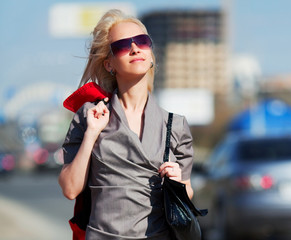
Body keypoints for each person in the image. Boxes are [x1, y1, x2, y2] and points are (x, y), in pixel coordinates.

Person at [58, 9, 194, 239]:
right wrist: (91, 134)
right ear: (109, 63)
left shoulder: (176, 125)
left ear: (151, 55)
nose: (134, 48)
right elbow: (70, 189)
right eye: (122, 45)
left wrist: (178, 183)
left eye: (142, 41)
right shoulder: (89, 115)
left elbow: (187, 193)